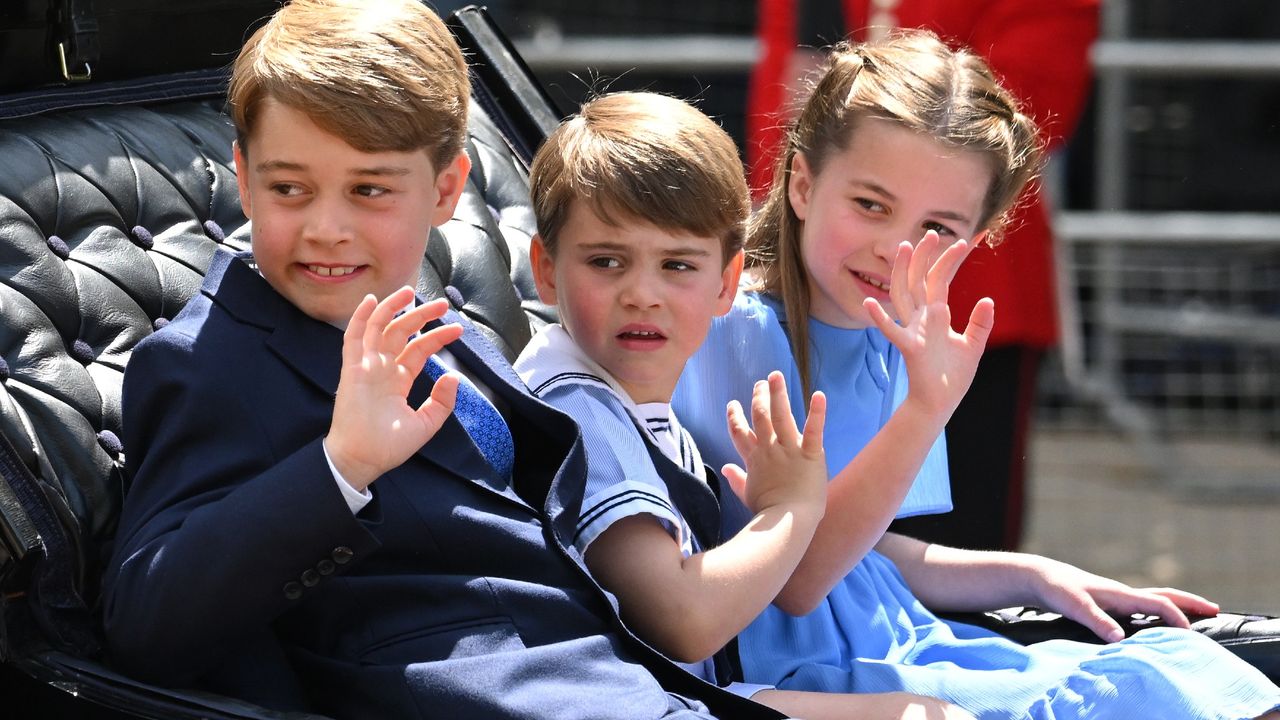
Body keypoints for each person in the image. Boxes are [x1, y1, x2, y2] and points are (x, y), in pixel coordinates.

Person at [99, 2, 787, 718]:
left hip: (619, 678)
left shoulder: (437, 323)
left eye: (369, 190)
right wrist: (341, 466)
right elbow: (144, 623)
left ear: (447, 190)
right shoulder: (208, 362)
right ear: (243, 179)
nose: (326, 228)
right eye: (288, 189)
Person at [673, 29, 1280, 719]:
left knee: (1191, 665)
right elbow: (802, 579)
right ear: (803, 184)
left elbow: (867, 556)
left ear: (980, 238)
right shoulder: (735, 331)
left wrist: (1033, 573)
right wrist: (924, 409)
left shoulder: (894, 341)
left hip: (909, 640)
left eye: (939, 228)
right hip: (812, 672)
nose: (896, 248)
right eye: (870, 204)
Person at [514, 90, 975, 720]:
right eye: (606, 262)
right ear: (546, 269)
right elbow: (686, 623)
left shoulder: (625, 394)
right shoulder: (582, 411)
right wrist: (793, 507)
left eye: (677, 265)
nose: (642, 294)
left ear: (726, 283)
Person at [748, 0, 1100, 551]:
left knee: (962, 530)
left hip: (968, 296)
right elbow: (789, 93)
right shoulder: (733, 324)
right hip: (822, 266)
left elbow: (1028, 102)